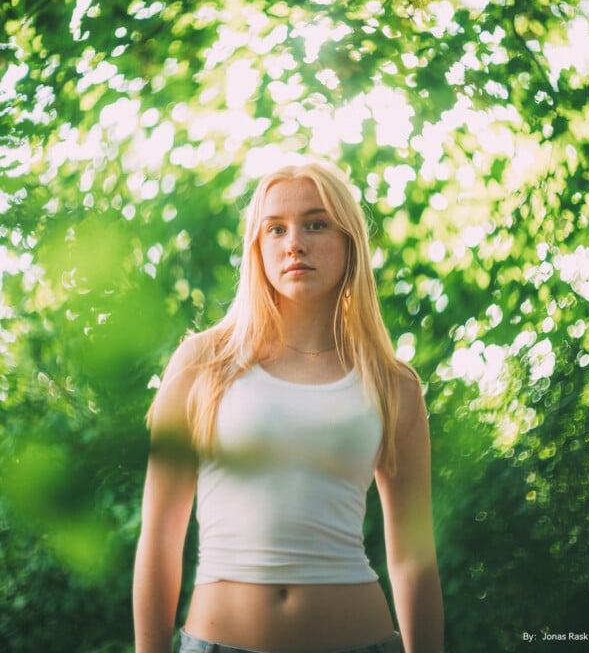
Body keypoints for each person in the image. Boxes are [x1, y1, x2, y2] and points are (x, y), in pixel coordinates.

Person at [133, 159, 444, 653]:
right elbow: (160, 537)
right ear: (257, 249)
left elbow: (412, 557)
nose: (293, 242)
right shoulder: (204, 363)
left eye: (315, 224)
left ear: (349, 242)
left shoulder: (393, 385)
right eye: (275, 228)